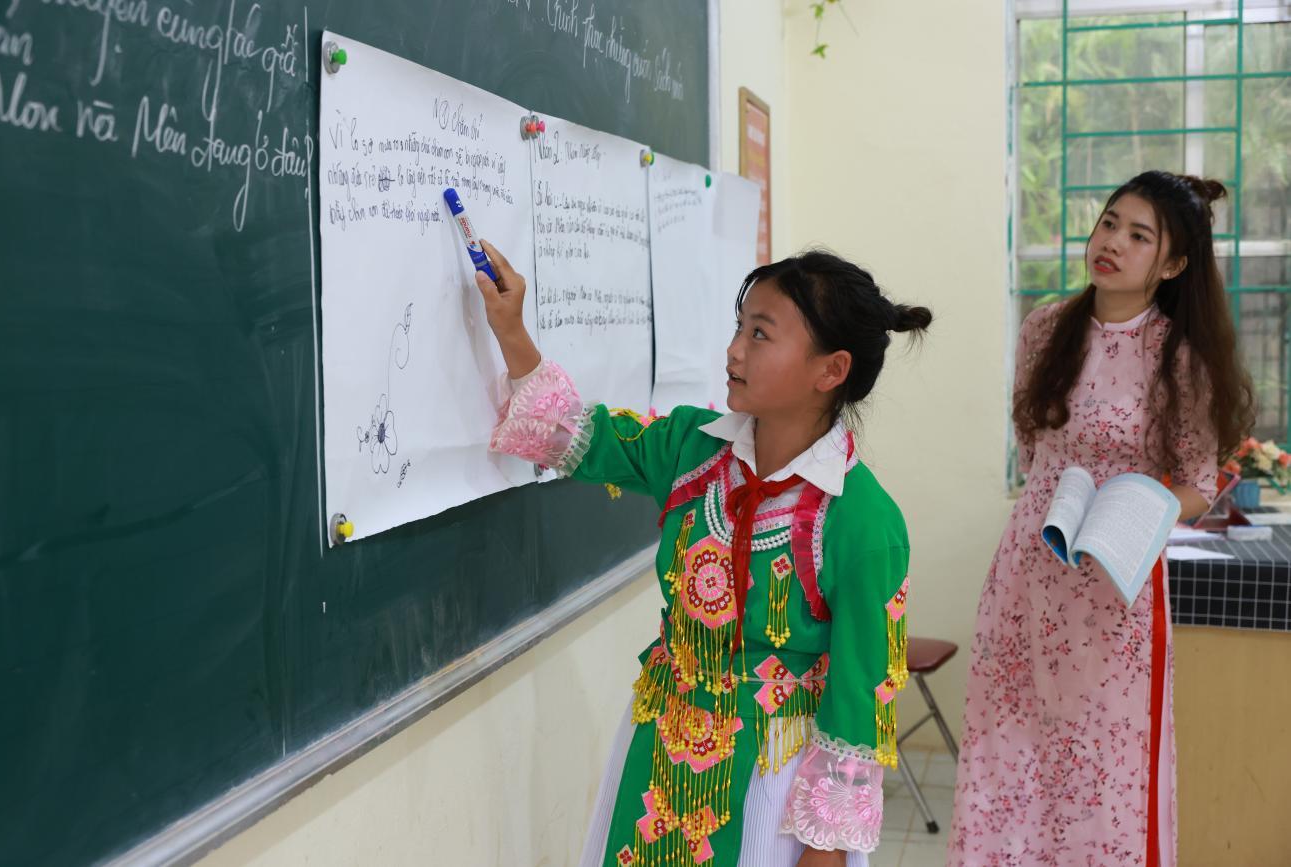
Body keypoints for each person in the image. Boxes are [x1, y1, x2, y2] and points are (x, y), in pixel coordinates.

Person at [477, 242, 931, 867]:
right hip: (659, 753)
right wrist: (510, 331)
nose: (734, 350)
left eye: (761, 334)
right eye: (739, 328)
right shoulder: (691, 447)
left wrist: (822, 852)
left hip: (774, 782)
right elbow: (577, 439)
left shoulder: (863, 520)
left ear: (831, 370)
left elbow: (861, 699)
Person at [947, 171, 1256, 867]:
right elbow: (1036, 452)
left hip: (1115, 589)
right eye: (1109, 222)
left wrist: (1140, 506)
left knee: (1101, 777)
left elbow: (1201, 481)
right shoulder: (1045, 328)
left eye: (1138, 235)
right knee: (1011, 764)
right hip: (1027, 575)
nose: (1111, 241)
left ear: (1174, 264)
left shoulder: (1181, 357)